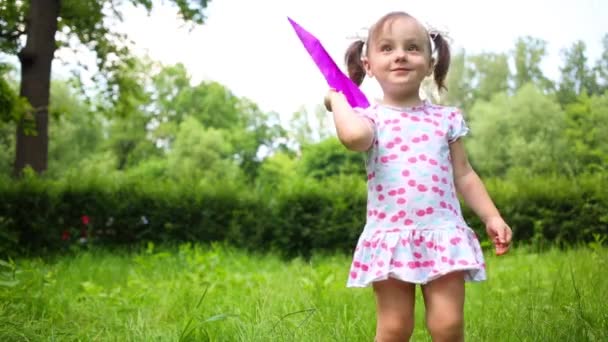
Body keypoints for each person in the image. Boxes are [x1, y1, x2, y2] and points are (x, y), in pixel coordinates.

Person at [324, 11, 513, 342]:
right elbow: (353, 138)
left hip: (443, 234)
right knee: (395, 328)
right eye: (387, 48)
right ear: (368, 64)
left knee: (447, 325)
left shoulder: (446, 119)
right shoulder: (370, 118)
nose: (400, 55)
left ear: (429, 63)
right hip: (391, 238)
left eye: (412, 48)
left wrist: (492, 215)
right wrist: (335, 99)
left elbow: (465, 174)